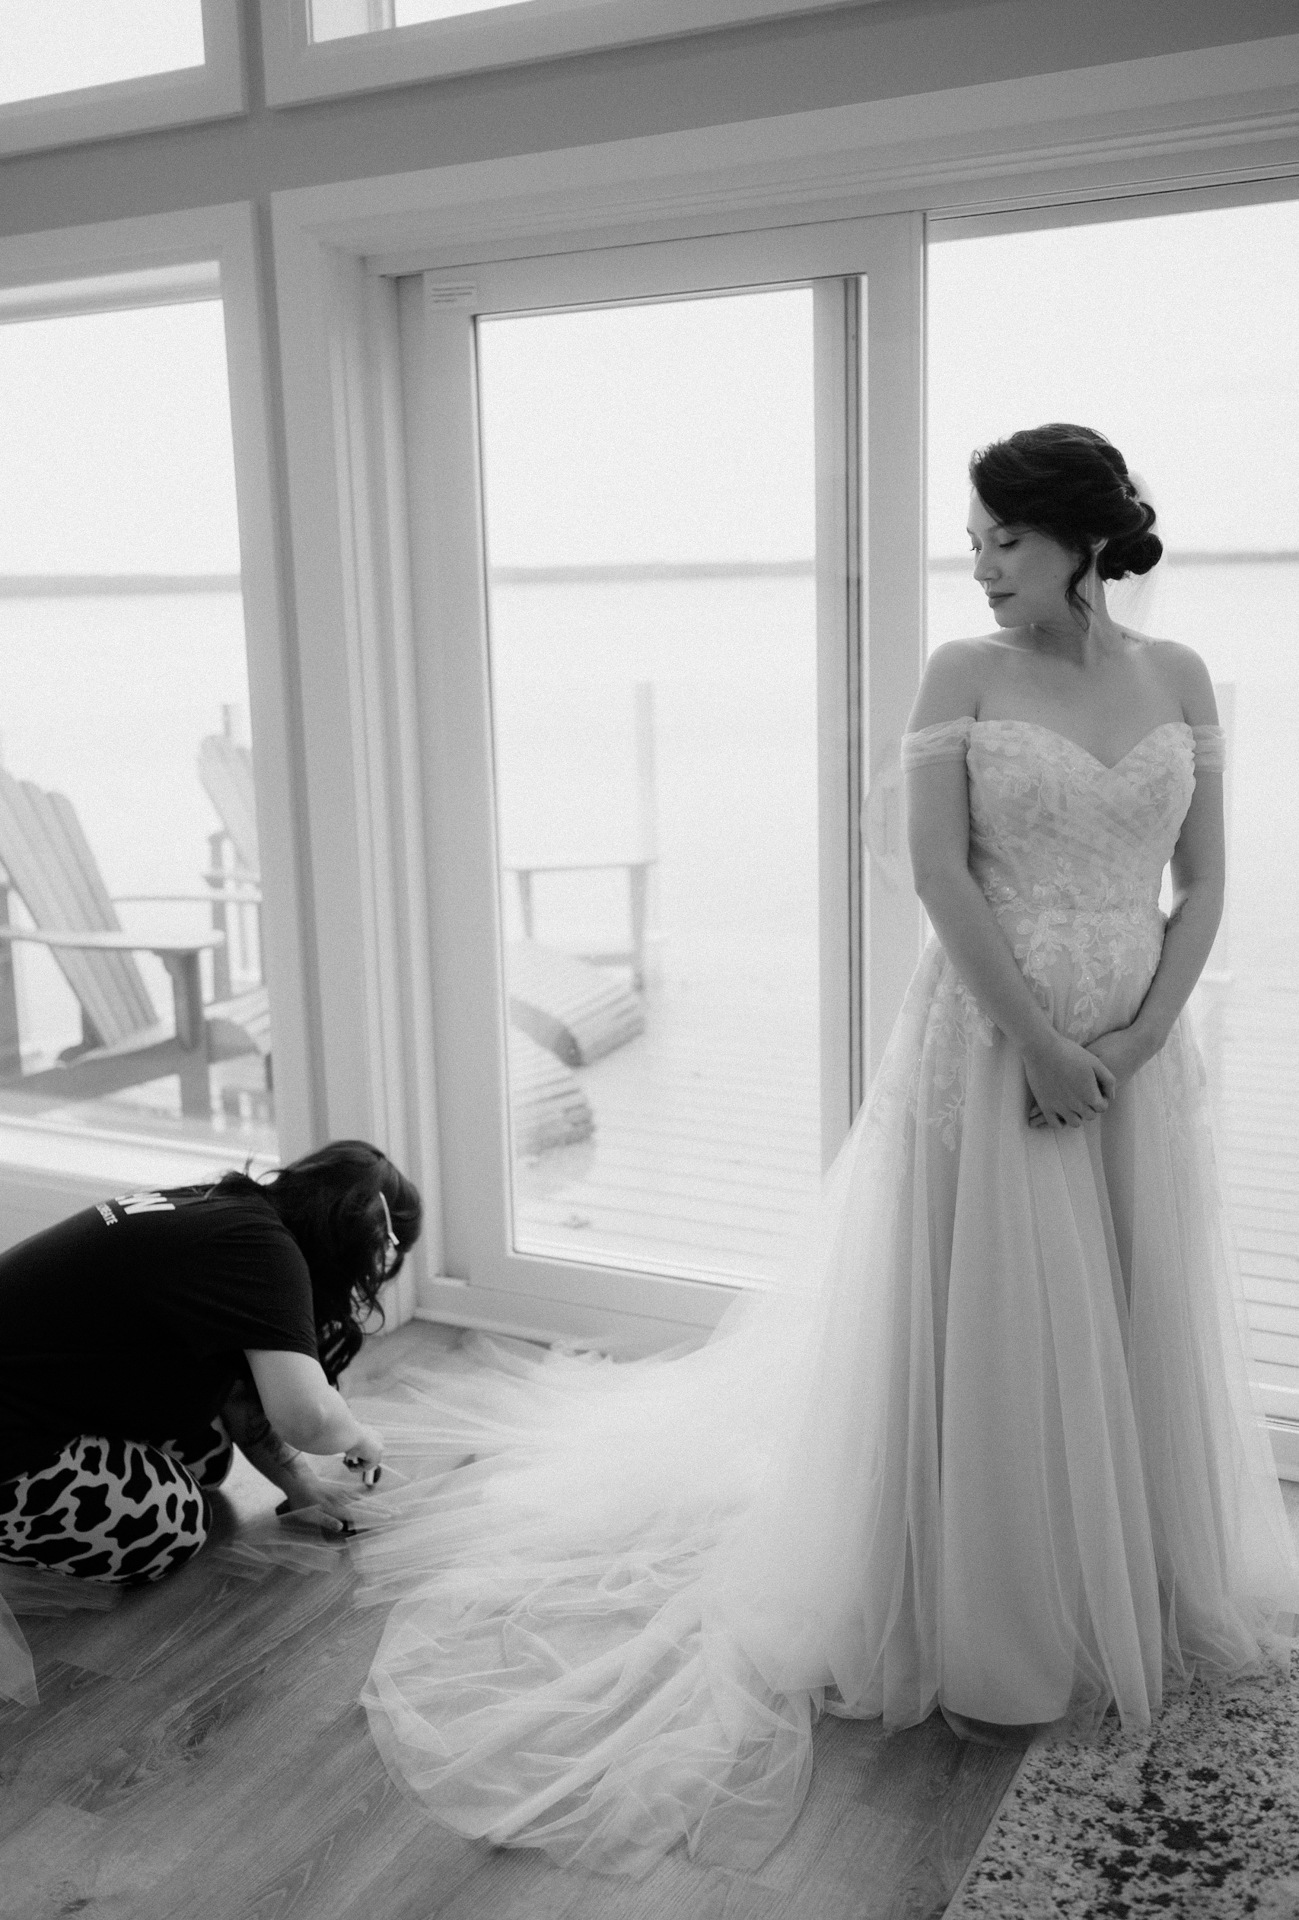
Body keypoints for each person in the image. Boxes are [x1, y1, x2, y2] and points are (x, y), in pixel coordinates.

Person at [276, 429, 1299, 1875]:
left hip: (1136, 1048)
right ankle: (986, 1594)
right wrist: (1043, 1046)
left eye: (1001, 540)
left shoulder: (1179, 677)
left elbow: (1204, 883)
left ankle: (1126, 1566)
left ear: (1077, 539)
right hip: (991, 1042)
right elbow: (941, 877)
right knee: (996, 1316)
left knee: (1129, 1301)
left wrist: (1126, 1047)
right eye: (972, 543)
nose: (982, 566)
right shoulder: (960, 672)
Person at [0, 1139, 420, 1701]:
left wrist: (300, 1486)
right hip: (9, 1442)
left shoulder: (229, 1213)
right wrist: (361, 1436)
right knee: (172, 1526)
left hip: (30, 1392)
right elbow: (306, 1415)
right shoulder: (266, 1254)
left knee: (205, 1452)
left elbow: (240, 1389)